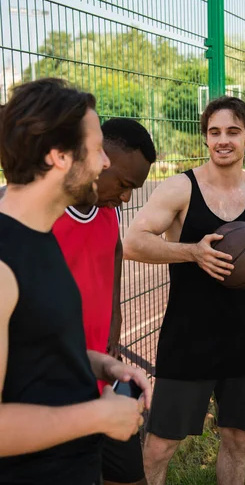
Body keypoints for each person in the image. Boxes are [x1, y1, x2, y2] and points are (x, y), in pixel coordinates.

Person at [123, 95, 245, 485]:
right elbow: (133, 242)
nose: (223, 140)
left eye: (233, 132)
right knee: (159, 446)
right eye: (215, 132)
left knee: (238, 440)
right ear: (205, 138)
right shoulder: (180, 188)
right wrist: (192, 252)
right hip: (188, 335)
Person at [0, 78, 150, 485]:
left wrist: (104, 364)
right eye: (97, 148)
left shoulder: (40, 236)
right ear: (59, 156)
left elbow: (38, 352)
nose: (104, 163)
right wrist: (96, 416)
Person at [53, 117, 156, 485]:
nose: (127, 197)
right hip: (53, 390)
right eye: (125, 185)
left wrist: (115, 316)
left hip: (102, 379)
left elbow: (113, 252)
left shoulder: (107, 210)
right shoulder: (40, 216)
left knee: (130, 477)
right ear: (101, 159)